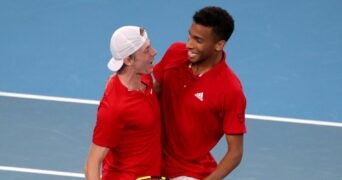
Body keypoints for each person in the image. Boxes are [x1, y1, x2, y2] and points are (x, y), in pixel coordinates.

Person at [153, 6, 247, 180]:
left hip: (187, 172)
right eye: (189, 36)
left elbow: (235, 153)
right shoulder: (175, 53)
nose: (189, 44)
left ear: (219, 44)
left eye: (198, 40)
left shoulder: (230, 90)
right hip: (150, 158)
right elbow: (153, 94)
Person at [85, 26, 162, 180]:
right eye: (146, 50)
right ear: (128, 60)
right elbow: (91, 165)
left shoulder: (144, 76)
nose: (154, 52)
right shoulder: (114, 108)